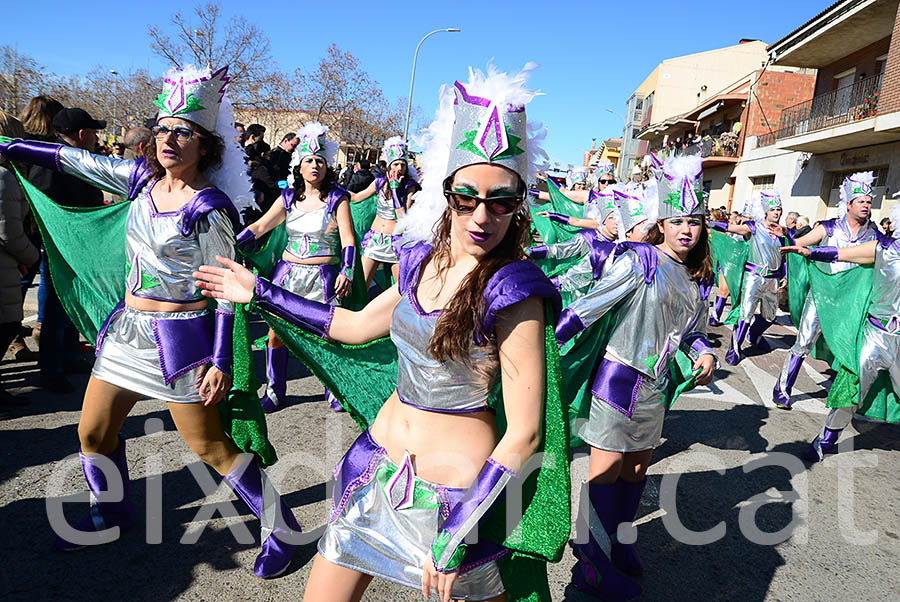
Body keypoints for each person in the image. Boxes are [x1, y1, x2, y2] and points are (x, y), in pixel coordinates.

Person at [197, 62, 563, 602]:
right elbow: (352, 325)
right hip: (374, 471)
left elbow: (525, 435)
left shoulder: (514, 293)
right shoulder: (418, 263)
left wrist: (460, 529)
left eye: (501, 200)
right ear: (447, 193)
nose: (482, 215)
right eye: (467, 196)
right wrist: (260, 292)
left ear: (519, 204)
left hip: (454, 498)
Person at [0, 65, 298, 578]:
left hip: (182, 342)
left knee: (211, 447)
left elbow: (227, 292)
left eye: (184, 132)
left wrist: (222, 361)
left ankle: (282, 527)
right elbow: (69, 158)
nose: (169, 139)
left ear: (206, 146)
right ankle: (110, 514)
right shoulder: (139, 181)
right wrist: (8, 146)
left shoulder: (210, 207)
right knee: (92, 432)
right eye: (162, 129)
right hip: (126, 336)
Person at [554, 153, 717, 601]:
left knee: (638, 471)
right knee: (605, 473)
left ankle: (618, 545)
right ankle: (591, 563)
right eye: (678, 220)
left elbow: (692, 332)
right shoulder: (640, 260)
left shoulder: (693, 275)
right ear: (661, 222)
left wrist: (703, 352)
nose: (687, 229)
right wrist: (548, 346)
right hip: (618, 383)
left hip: (655, 388)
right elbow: (590, 307)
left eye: (696, 222)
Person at [235, 121, 355, 413]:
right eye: (309, 161)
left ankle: (334, 388)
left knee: (326, 333)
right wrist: (232, 243)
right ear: (299, 167)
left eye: (320, 161)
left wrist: (347, 271)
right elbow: (262, 225)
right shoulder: (287, 198)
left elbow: (349, 238)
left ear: (327, 167)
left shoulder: (337, 199)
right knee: (276, 334)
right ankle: (275, 390)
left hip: (323, 279)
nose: (314, 165)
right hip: (288, 276)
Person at [781, 202, 900, 461]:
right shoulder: (884, 248)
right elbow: (841, 253)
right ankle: (825, 442)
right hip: (876, 336)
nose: (867, 205)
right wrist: (810, 253)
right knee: (849, 388)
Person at [772, 172, 880, 408]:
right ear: (848, 204)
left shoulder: (874, 235)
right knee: (803, 343)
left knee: (852, 348)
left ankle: (849, 397)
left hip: (851, 302)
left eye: (869, 202)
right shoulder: (829, 228)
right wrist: (785, 238)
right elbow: (798, 245)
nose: (866, 205)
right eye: (861, 201)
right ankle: (782, 389)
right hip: (821, 299)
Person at [27, 107, 107, 392]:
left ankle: (70, 357)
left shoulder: (76, 159)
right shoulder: (52, 161)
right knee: (54, 309)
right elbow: (42, 202)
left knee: (73, 304)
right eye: (94, 132)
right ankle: (51, 370)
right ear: (83, 134)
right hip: (61, 247)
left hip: (78, 246)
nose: (97, 138)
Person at [710, 189, 789, 365]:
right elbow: (731, 227)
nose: (777, 212)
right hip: (753, 276)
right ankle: (735, 347)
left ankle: (754, 335)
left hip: (773, 279)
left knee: (769, 316)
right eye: (774, 209)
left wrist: (785, 275)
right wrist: (707, 223)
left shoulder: (782, 233)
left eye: (779, 209)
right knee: (746, 313)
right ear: (766, 211)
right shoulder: (754, 227)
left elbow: (785, 255)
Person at [0, 111, 41, 411]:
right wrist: (31, 257)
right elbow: (8, 232)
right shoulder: (3, 178)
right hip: (5, 268)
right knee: (4, 327)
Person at [349, 137, 421, 287]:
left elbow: (403, 218)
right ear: (389, 166)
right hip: (375, 240)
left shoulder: (410, 187)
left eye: (402, 164)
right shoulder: (379, 182)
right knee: (360, 285)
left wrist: (395, 191)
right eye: (395, 164)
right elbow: (356, 197)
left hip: (395, 243)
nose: (399, 168)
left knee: (399, 289)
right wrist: (334, 189)